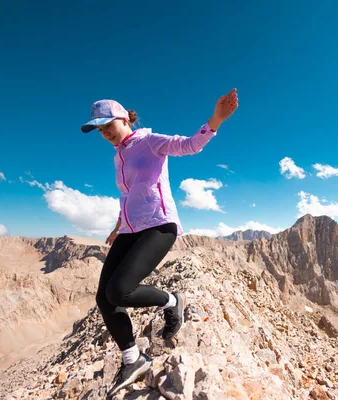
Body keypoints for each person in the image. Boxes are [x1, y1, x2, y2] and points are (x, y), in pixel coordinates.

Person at [79, 89, 238, 397]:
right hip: (129, 230)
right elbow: (129, 196)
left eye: (108, 124)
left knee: (119, 290)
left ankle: (172, 300)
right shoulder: (119, 156)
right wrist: (117, 226)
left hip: (158, 226)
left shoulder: (150, 142)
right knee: (104, 298)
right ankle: (133, 358)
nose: (104, 132)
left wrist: (216, 120)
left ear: (124, 118)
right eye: (99, 129)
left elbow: (190, 145)